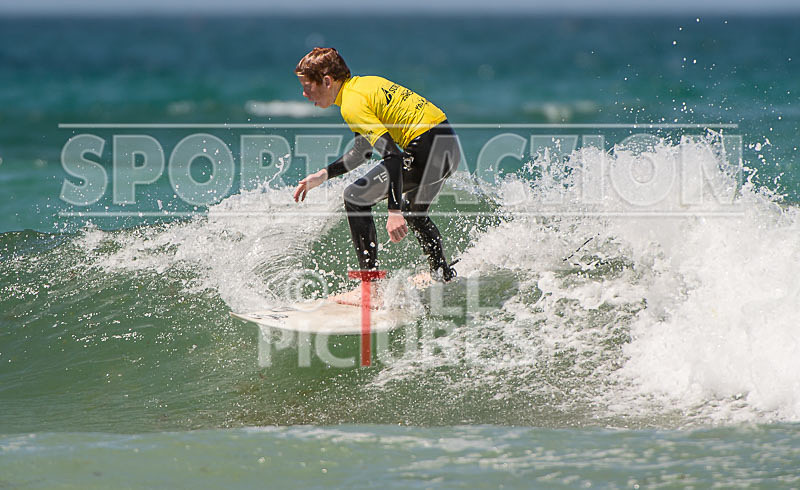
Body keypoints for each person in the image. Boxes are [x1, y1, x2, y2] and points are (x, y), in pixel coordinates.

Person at [292, 47, 460, 305]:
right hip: (447, 145)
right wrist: (324, 175)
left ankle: (370, 290)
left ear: (327, 80)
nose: (304, 94)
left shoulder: (351, 105)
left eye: (307, 86)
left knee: (355, 197)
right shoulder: (364, 85)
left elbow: (391, 155)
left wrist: (394, 211)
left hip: (425, 148)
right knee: (416, 212)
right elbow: (363, 149)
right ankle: (442, 274)